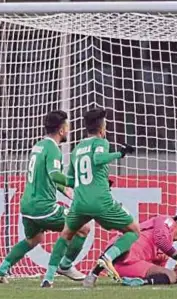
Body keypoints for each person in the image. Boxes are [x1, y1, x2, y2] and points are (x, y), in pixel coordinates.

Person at [41, 108, 138, 287]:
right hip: (101, 202)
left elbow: (71, 179)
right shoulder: (101, 142)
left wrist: (91, 183)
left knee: (67, 234)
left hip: (80, 203)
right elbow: (99, 158)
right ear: (102, 128)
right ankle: (107, 258)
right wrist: (120, 153)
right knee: (133, 231)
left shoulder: (77, 149)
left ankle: (49, 276)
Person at [0, 110, 89, 283]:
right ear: (61, 129)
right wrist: (76, 183)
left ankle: (0, 271)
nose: (69, 129)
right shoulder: (53, 150)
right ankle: (62, 268)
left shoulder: (39, 146)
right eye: (67, 126)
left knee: (34, 238)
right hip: (43, 208)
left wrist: (64, 190)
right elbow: (54, 174)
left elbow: (46, 176)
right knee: (83, 227)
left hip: (27, 206)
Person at [83, 214, 177, 287]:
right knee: (127, 244)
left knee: (171, 275)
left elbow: (156, 270)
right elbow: (160, 240)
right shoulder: (167, 221)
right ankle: (95, 272)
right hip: (123, 250)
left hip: (127, 267)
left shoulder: (165, 253)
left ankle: (139, 283)